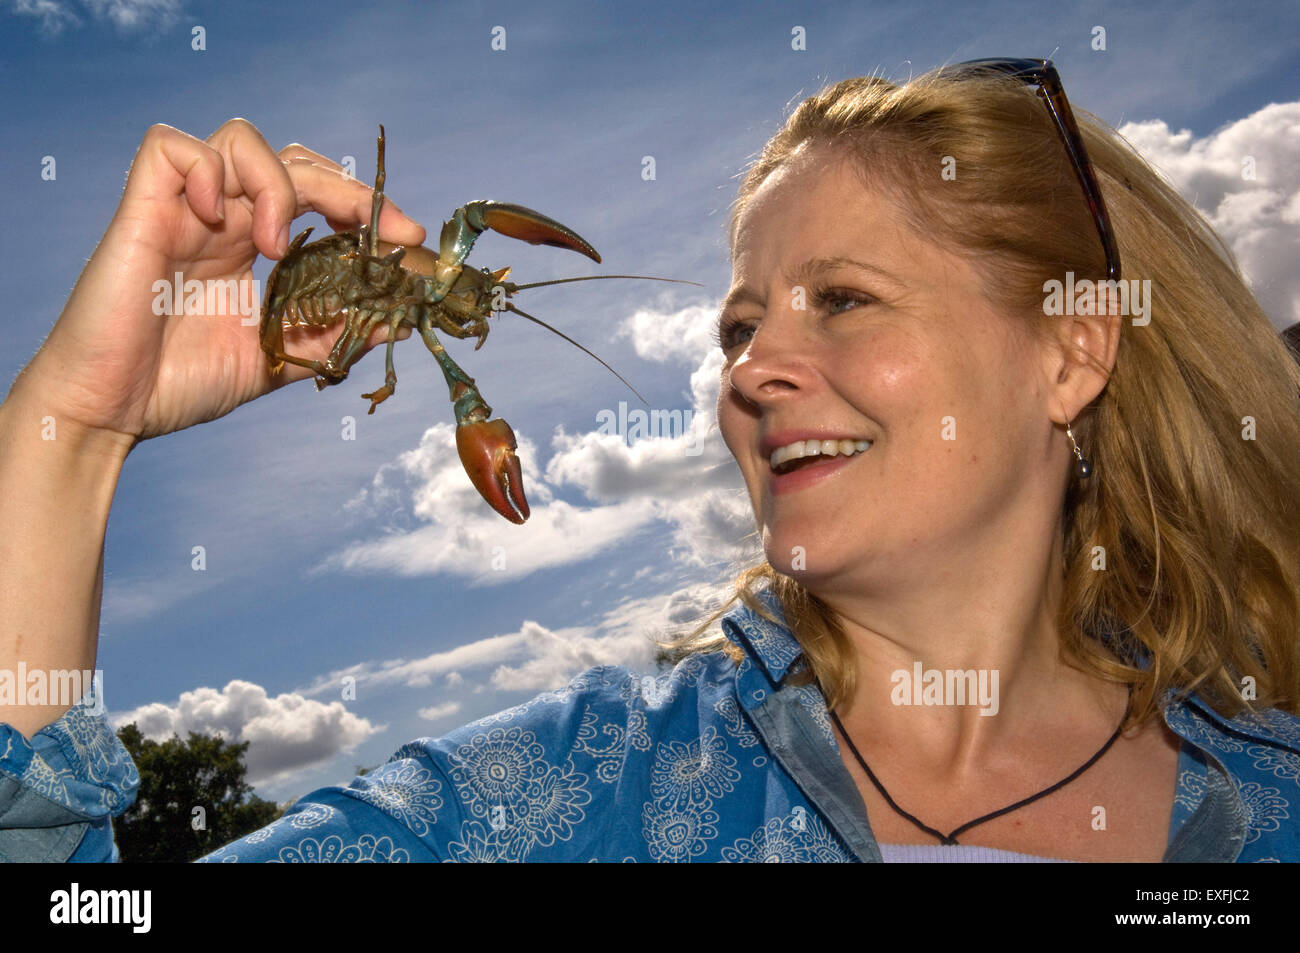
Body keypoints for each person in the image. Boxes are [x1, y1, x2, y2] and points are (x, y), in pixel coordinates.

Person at [2, 59, 1298, 864]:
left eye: (840, 299)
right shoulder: (547, 798)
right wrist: (75, 425)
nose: (748, 368)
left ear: (1071, 352)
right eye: (740, 324)